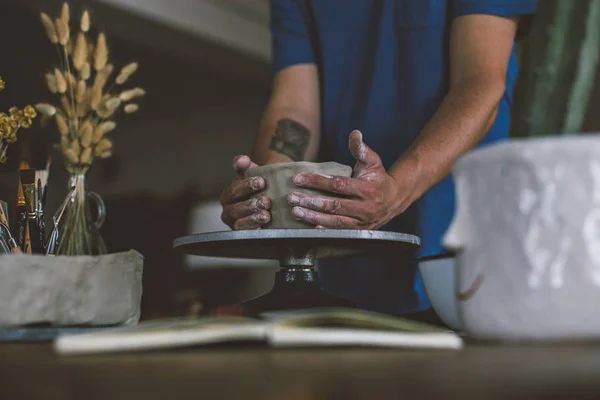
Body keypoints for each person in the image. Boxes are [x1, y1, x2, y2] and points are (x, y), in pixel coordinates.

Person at [219, 0, 537, 321]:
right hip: (348, 263)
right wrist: (269, 189)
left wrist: (395, 189)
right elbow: (295, 107)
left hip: (463, 257)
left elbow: (480, 83)